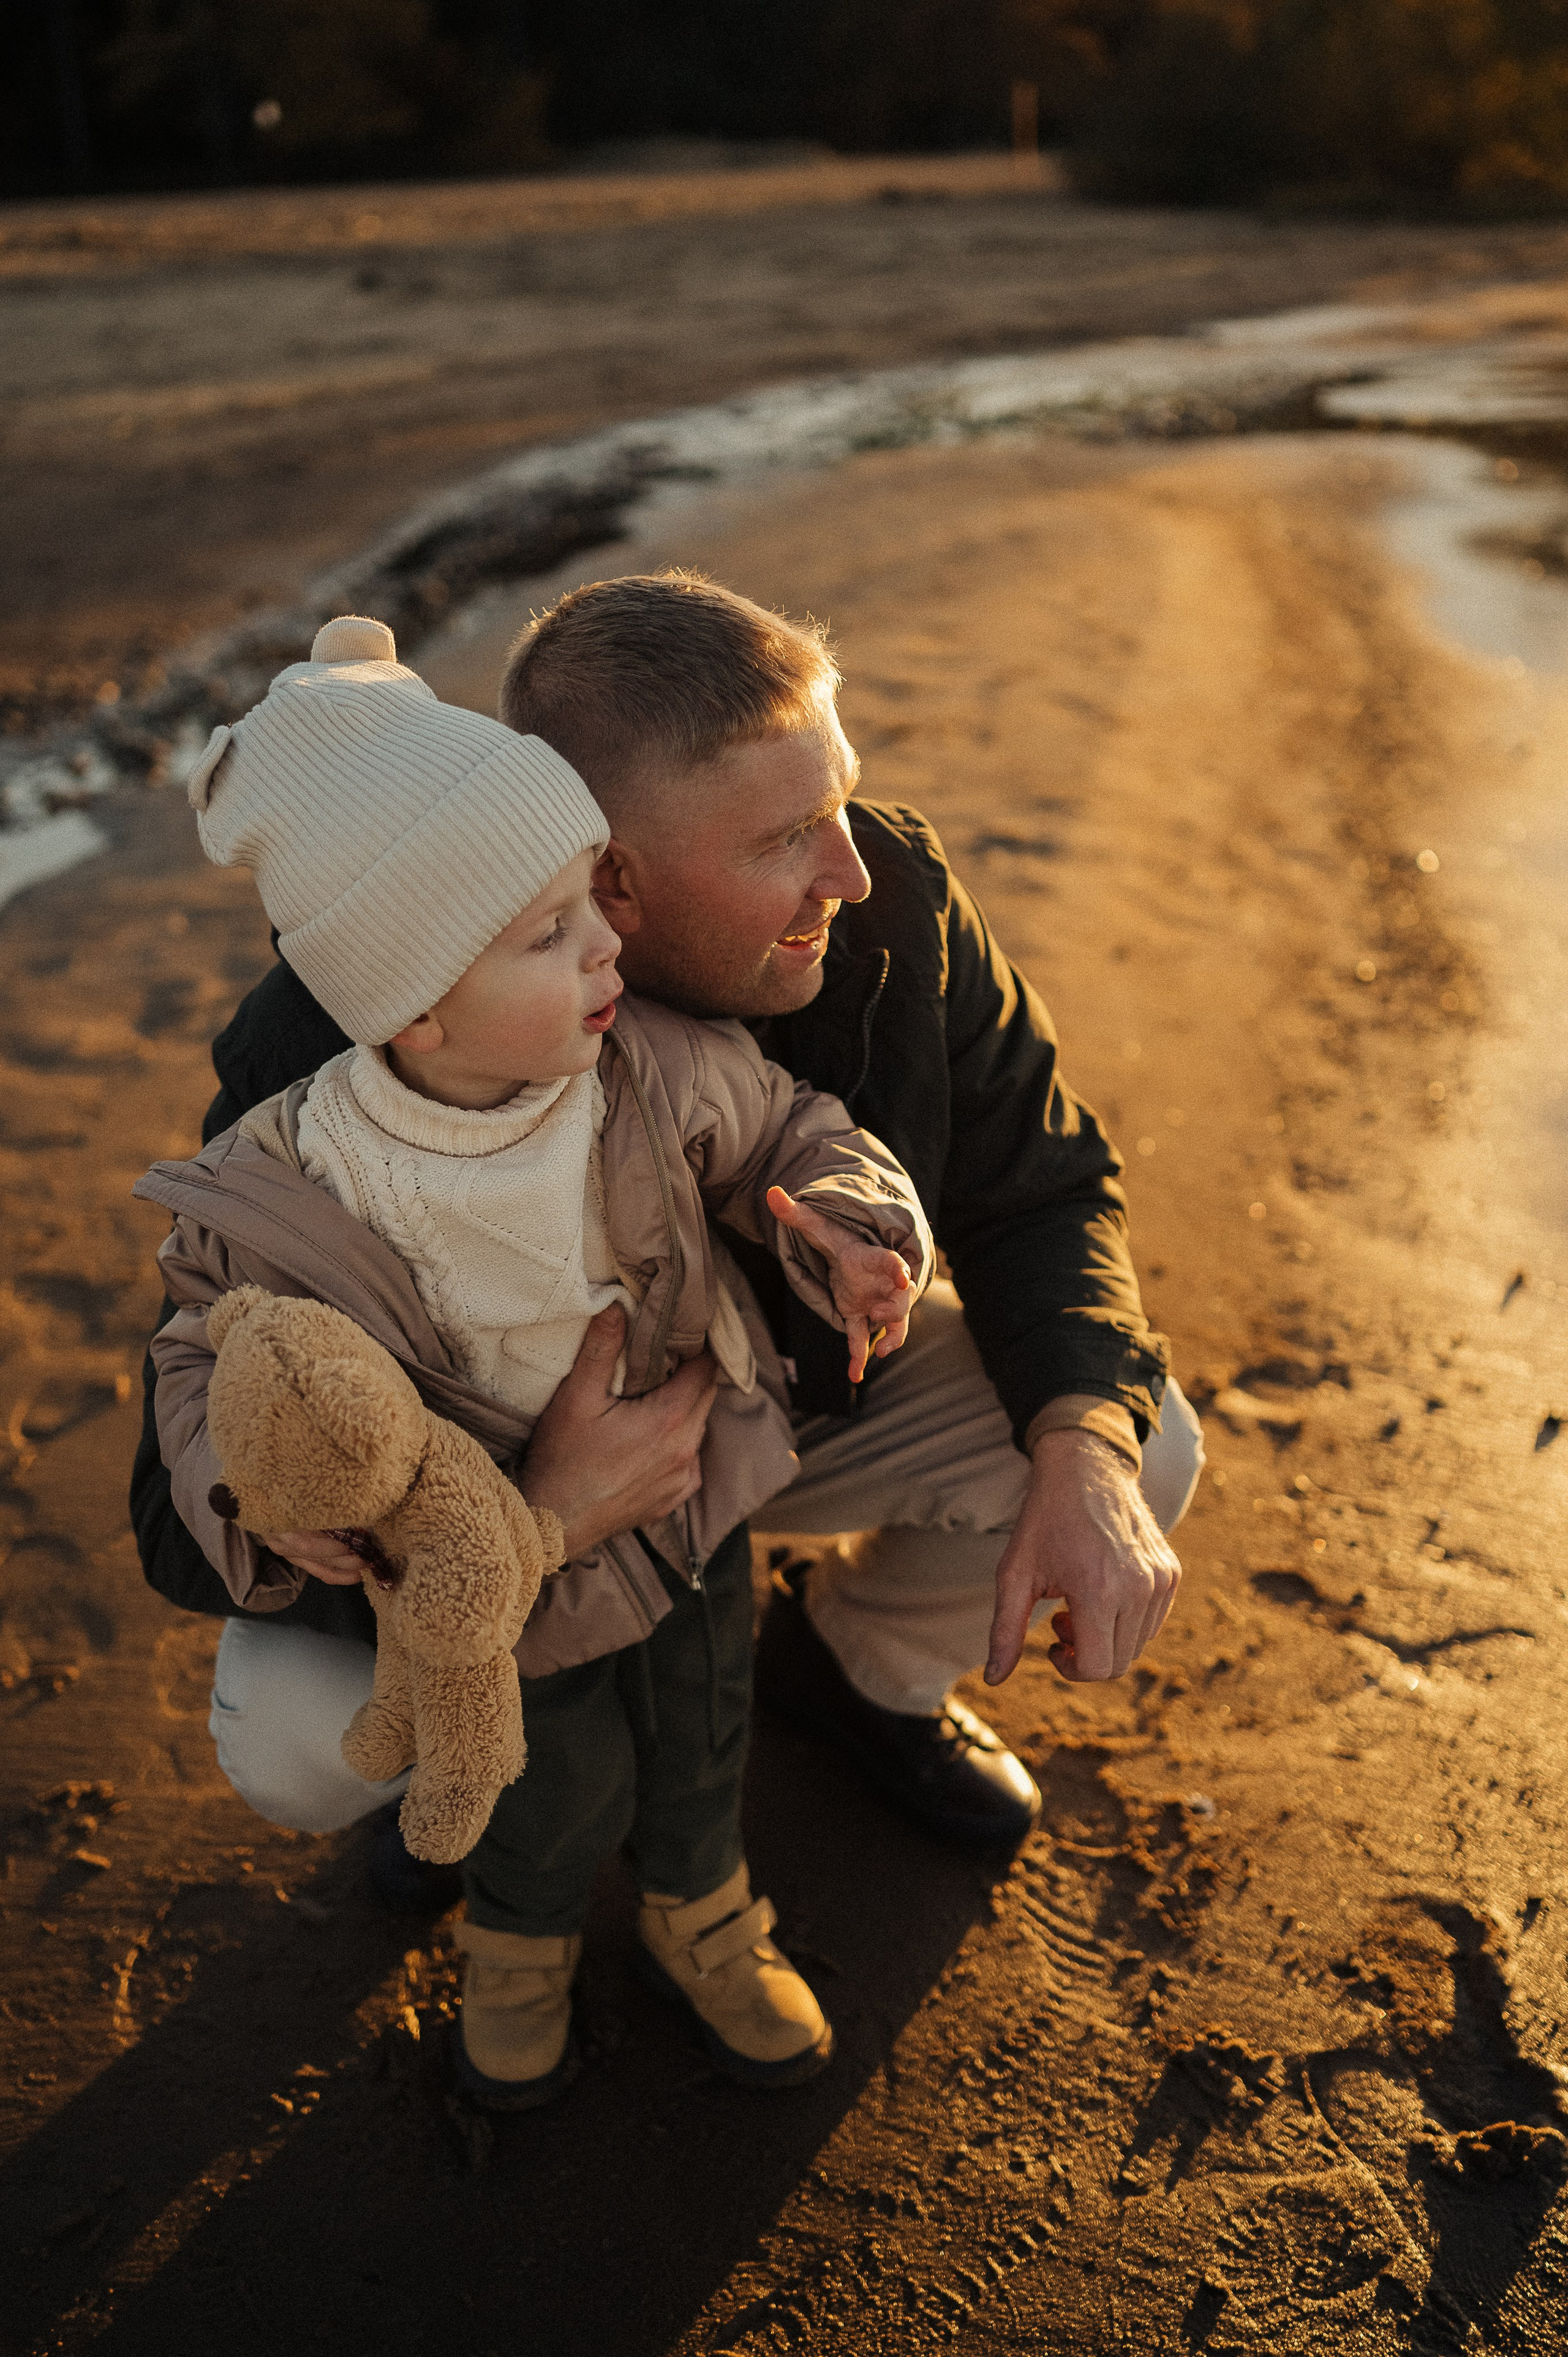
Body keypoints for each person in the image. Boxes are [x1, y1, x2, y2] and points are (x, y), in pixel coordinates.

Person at [131, 572, 1199, 1890]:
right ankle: (469, 1762)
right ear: (614, 882)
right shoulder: (342, 1038)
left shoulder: (893, 914)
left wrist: (1057, 1423)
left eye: (840, 800)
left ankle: (858, 1669)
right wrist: (538, 1520)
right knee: (294, 1738)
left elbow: (1042, 1187)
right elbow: (177, 1491)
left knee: (1127, 1442)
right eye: (784, 837)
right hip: (484, 1497)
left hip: (768, 1416)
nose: (849, 870)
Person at [135, 613, 933, 2108]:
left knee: (701, 1738)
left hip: (695, 1499)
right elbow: (203, 1349)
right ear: (414, 1002)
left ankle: (706, 1915)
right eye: (550, 931)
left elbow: (790, 1130)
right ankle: (517, 1949)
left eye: (595, 903)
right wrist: (249, 1476)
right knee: (541, 1772)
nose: (608, 944)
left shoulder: (649, 1068)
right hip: (501, 1553)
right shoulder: (302, 1173)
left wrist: (849, 1216)